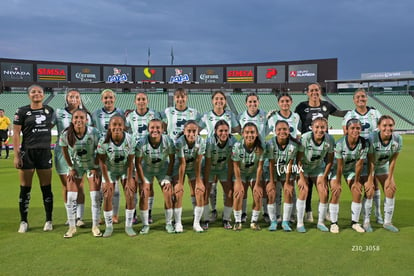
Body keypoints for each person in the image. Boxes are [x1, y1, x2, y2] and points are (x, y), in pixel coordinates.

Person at [294, 82, 348, 223]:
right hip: (306, 146)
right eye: (311, 90)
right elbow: (292, 121)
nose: (314, 92)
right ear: (307, 92)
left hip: (323, 146)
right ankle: (308, 211)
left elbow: (340, 113)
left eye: (316, 90)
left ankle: (326, 212)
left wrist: (356, 111)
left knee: (324, 179)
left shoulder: (326, 105)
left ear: (320, 91)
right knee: (307, 182)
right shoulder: (301, 107)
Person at [13, 84, 54, 233]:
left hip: (44, 153)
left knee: (46, 188)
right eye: (33, 92)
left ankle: (49, 220)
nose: (36, 94)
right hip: (27, 153)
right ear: (28, 95)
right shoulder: (22, 111)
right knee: (25, 189)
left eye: (39, 92)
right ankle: (23, 221)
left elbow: (52, 126)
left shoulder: (50, 110)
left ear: (43, 94)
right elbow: (16, 134)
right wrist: (17, 155)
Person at [342, 88, 383, 224]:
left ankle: (377, 215)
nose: (361, 99)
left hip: (373, 154)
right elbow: (345, 134)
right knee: (358, 186)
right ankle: (361, 217)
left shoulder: (375, 113)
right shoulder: (349, 115)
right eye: (358, 97)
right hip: (357, 154)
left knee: (374, 185)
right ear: (354, 100)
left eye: (363, 96)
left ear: (367, 98)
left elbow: (381, 130)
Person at [199, 91, 240, 223]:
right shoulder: (206, 115)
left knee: (227, 188)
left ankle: (226, 217)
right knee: (210, 189)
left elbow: (237, 129)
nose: (219, 101)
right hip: (211, 154)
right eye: (216, 99)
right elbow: (197, 129)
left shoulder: (230, 115)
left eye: (222, 99)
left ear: (225, 101)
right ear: (212, 101)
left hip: (224, 155)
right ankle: (212, 211)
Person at [60, 109, 102, 238]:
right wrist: (71, 167)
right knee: (71, 196)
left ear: (86, 120)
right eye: (76, 117)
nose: (79, 120)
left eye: (82, 118)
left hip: (91, 166)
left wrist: (95, 166)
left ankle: (95, 226)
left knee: (95, 196)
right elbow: (65, 152)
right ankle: (72, 227)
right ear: (72, 120)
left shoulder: (94, 132)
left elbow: (100, 150)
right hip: (76, 167)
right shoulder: (66, 134)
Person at [53, 89, 90, 227]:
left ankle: (79, 217)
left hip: (80, 154)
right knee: (66, 185)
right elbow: (47, 127)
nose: (73, 99)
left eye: (76, 97)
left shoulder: (87, 116)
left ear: (80, 99)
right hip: (61, 153)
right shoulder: (58, 113)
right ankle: (70, 216)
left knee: (79, 185)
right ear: (66, 98)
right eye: (71, 96)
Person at [329, 118, 372, 233]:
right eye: (352, 128)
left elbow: (359, 164)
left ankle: (355, 222)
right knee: (336, 191)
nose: (355, 130)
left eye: (358, 128)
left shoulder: (363, 144)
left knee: (357, 191)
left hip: (351, 170)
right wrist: (338, 182)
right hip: (337, 169)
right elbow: (339, 165)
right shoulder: (339, 144)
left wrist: (357, 182)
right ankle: (333, 223)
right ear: (347, 129)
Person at [126, 92, 162, 224]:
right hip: (135, 153)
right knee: (134, 184)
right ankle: (134, 213)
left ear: (148, 101)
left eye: (143, 99)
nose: (141, 102)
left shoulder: (154, 114)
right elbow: (125, 130)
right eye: (139, 99)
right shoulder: (130, 116)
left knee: (149, 184)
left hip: (150, 153)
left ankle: (149, 212)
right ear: (135, 102)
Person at [97, 115, 136, 237]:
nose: (117, 127)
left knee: (130, 194)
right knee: (107, 194)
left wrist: (129, 180)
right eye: (114, 125)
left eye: (120, 125)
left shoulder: (130, 139)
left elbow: (130, 162)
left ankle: (128, 226)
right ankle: (109, 227)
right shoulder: (103, 141)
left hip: (125, 169)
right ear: (110, 127)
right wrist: (107, 181)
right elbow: (102, 162)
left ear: (124, 126)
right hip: (110, 170)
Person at [135, 119, 176, 234]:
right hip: (147, 169)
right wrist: (143, 181)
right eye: (152, 127)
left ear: (163, 129)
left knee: (168, 193)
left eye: (158, 127)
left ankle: (168, 223)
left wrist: (168, 177)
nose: (155, 130)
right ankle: (145, 225)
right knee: (144, 194)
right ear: (148, 129)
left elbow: (172, 160)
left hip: (163, 169)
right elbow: (137, 163)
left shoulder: (168, 141)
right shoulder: (141, 143)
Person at [266, 92, 302, 224]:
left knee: (290, 187)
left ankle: (291, 215)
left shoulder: (296, 116)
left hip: (291, 153)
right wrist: (266, 119)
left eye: (287, 101)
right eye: (282, 101)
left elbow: (301, 131)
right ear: (278, 103)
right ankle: (275, 216)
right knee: (276, 189)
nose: (285, 103)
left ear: (291, 102)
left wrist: (299, 139)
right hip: (277, 154)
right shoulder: (273, 117)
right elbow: (265, 133)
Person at [295, 117, 334, 233]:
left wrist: (324, 177)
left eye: (322, 127)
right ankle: (300, 223)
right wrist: (301, 178)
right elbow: (298, 160)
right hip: (304, 168)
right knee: (303, 190)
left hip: (318, 168)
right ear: (312, 128)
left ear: (326, 128)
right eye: (317, 127)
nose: (320, 130)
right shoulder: (305, 138)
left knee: (323, 191)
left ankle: (320, 222)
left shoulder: (329, 139)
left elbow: (330, 161)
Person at [92, 89, 124, 224]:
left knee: (114, 188)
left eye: (110, 97)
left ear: (114, 99)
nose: (108, 100)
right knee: (100, 188)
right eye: (105, 98)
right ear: (102, 99)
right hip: (100, 153)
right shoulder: (95, 114)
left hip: (116, 154)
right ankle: (98, 216)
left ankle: (114, 215)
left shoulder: (121, 113)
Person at [366, 115, 402, 232]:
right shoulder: (372, 138)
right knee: (370, 189)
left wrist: (390, 178)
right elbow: (370, 160)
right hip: (368, 166)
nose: (388, 128)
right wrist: (370, 179)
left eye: (390, 125)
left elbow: (393, 160)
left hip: (382, 166)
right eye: (384, 125)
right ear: (379, 127)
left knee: (391, 188)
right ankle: (366, 222)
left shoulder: (397, 139)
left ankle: (387, 222)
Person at [237, 92, 268, 223]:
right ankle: (243, 214)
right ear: (246, 103)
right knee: (242, 187)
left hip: (261, 153)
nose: (252, 104)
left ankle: (266, 213)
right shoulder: (240, 117)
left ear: (258, 102)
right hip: (246, 154)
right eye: (250, 101)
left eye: (255, 101)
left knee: (263, 186)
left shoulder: (265, 116)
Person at [265, 120, 300, 231]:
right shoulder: (270, 144)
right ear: (275, 131)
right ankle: (273, 221)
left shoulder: (293, 145)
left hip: (286, 170)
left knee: (288, 191)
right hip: (272, 170)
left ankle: (285, 222)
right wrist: (271, 182)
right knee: (271, 193)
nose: (282, 131)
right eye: (279, 129)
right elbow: (271, 163)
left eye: (284, 129)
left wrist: (288, 183)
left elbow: (290, 164)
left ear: (289, 131)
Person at [173, 120, 206, 232]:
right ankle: (178, 223)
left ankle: (196, 223)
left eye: (194, 131)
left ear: (198, 132)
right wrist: (180, 184)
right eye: (189, 131)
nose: (191, 134)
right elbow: (182, 163)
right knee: (178, 192)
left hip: (194, 167)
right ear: (184, 131)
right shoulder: (179, 142)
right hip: (179, 167)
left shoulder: (201, 141)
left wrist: (198, 181)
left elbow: (198, 161)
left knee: (199, 191)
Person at [204, 120, 237, 229]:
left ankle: (226, 219)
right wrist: (207, 181)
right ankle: (205, 219)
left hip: (223, 168)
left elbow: (231, 162)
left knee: (229, 192)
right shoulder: (209, 142)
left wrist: (229, 178)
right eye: (221, 131)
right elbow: (208, 163)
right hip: (211, 167)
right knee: (206, 191)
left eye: (226, 131)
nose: (224, 133)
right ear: (215, 131)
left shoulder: (233, 141)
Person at [232, 122, 265, 231]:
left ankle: (254, 221)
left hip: (253, 173)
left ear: (256, 134)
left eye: (252, 132)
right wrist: (238, 183)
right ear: (242, 134)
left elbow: (260, 167)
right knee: (238, 193)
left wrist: (257, 184)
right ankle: (237, 221)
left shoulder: (260, 148)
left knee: (258, 194)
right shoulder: (237, 146)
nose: (249, 135)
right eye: (247, 132)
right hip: (240, 174)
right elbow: (235, 166)